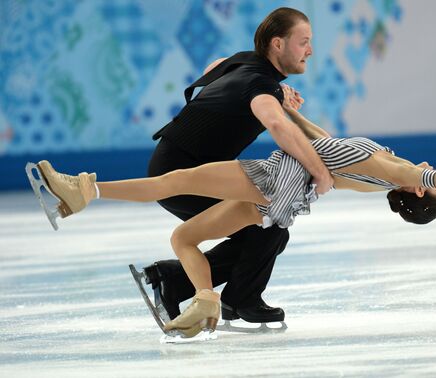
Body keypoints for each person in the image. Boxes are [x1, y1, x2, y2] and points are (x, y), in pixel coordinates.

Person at [31, 88, 436, 336]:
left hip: (273, 181)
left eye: (434, 185)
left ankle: (84, 191)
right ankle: (206, 299)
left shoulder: (399, 174)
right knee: (183, 238)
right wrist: (287, 106)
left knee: (176, 180)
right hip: (277, 204)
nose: (434, 172)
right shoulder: (381, 168)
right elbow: (319, 140)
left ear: (423, 193)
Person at [139, 7, 333, 325]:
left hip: (175, 165)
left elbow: (214, 68)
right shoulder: (261, 82)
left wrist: (280, 100)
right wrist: (319, 170)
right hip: (183, 175)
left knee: (265, 234)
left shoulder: (243, 62)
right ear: (278, 44)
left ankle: (178, 281)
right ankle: (237, 298)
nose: (310, 50)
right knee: (268, 220)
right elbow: (276, 125)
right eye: (304, 42)